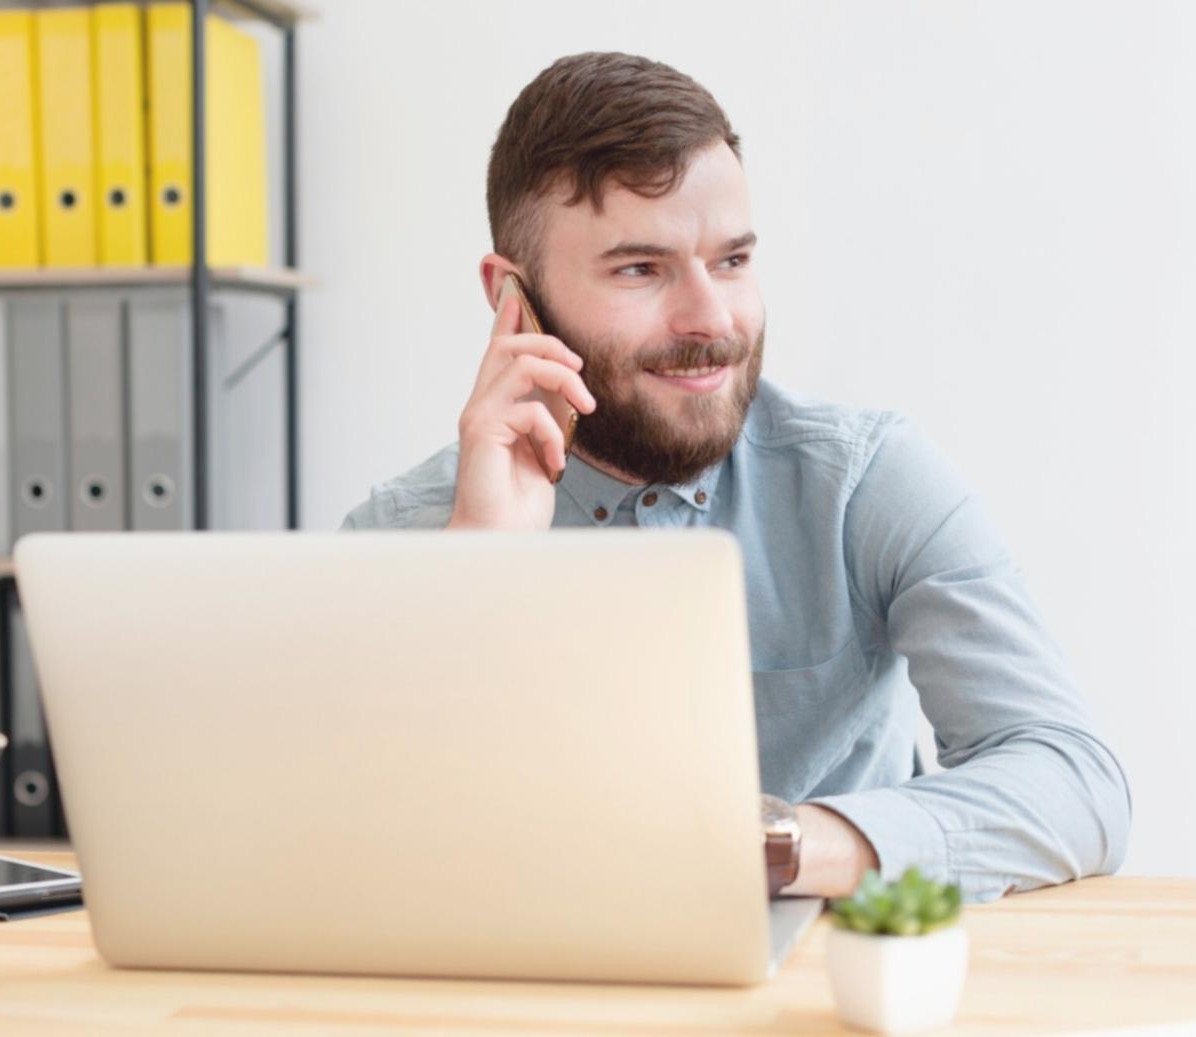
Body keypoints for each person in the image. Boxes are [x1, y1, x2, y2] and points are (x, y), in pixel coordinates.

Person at [341, 51, 1131, 901]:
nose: (711, 319)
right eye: (639, 269)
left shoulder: (860, 482)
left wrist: (771, 849)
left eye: (731, 261)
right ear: (511, 298)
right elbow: (355, 849)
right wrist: (478, 574)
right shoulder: (402, 536)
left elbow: (1073, 782)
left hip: (829, 963)